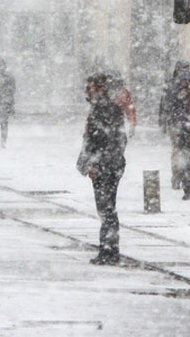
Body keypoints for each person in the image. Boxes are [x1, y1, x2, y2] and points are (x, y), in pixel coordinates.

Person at [77, 72, 129, 265]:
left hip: (105, 166)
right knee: (107, 209)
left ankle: (109, 250)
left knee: (106, 209)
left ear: (99, 89)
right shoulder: (107, 108)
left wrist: (95, 164)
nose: (88, 91)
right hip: (110, 165)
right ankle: (108, 249)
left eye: (91, 87)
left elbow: (99, 140)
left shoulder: (102, 110)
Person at [158, 60, 190, 199]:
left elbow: (164, 103)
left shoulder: (171, 84)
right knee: (182, 151)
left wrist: (163, 120)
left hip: (177, 123)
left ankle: (178, 178)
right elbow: (165, 103)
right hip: (184, 123)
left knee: (178, 151)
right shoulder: (186, 84)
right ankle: (181, 178)